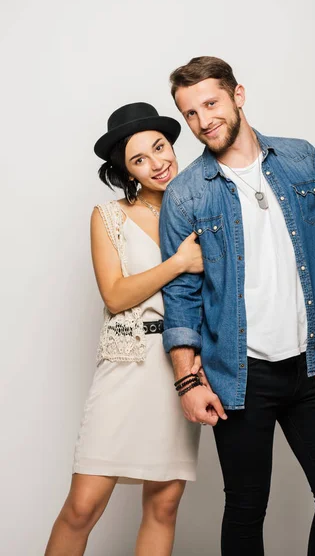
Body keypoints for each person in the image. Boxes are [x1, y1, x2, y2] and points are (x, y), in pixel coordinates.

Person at [159, 57, 315, 555]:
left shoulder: (301, 160)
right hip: (239, 374)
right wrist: (188, 380)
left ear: (238, 95)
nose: (204, 120)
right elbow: (181, 300)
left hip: (314, 363)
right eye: (190, 113)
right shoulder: (185, 194)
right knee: (247, 508)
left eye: (211, 103)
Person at [45, 102, 202, 556]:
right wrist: (179, 263)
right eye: (140, 160)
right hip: (126, 364)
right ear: (127, 171)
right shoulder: (108, 216)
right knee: (82, 506)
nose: (157, 163)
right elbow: (114, 295)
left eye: (160, 147)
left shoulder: (199, 209)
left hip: (181, 368)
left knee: (165, 504)